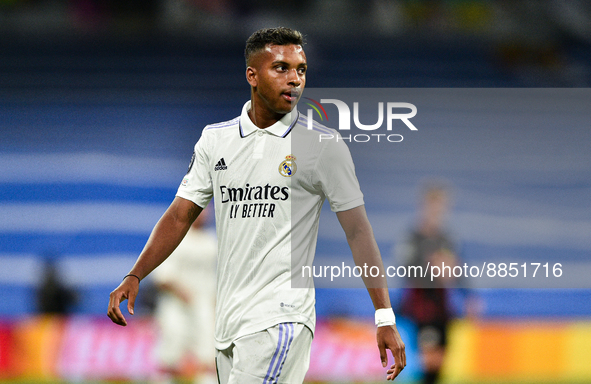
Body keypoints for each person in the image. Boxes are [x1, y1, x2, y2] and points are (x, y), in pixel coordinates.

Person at [108, 27, 406, 383]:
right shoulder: (215, 140)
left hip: (282, 316)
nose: (294, 79)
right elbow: (180, 214)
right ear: (252, 75)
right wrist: (136, 273)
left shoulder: (323, 145)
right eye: (281, 68)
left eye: (301, 70)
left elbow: (358, 231)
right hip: (229, 322)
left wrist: (384, 315)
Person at [394, 183, 457, 384]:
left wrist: (469, 294)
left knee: (439, 362)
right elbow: (405, 268)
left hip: (442, 308)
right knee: (428, 361)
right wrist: (431, 266)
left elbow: (457, 269)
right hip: (422, 308)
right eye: (434, 206)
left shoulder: (446, 238)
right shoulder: (413, 238)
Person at [151, 207, 217, 384]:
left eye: (205, 211)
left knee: (208, 355)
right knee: (169, 354)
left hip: (204, 306)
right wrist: (182, 293)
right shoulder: (174, 237)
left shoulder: (211, 242)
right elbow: (162, 277)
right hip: (175, 306)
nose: (202, 215)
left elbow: (217, 277)